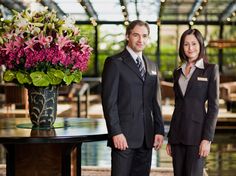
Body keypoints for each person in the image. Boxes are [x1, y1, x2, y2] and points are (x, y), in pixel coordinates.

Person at [101, 20, 165, 176]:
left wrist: (159, 130)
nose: (140, 40)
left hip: (146, 137)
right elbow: (109, 102)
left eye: (144, 36)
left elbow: (155, 102)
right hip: (124, 137)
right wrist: (115, 132)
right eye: (136, 35)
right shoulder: (114, 63)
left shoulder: (152, 66)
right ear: (127, 36)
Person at [166, 28, 219, 176]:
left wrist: (207, 139)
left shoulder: (210, 69)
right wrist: (170, 138)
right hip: (177, 136)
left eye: (194, 44)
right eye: (186, 44)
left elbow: (214, 107)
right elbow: (178, 106)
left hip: (197, 136)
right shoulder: (177, 72)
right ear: (182, 47)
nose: (190, 48)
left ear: (200, 45)